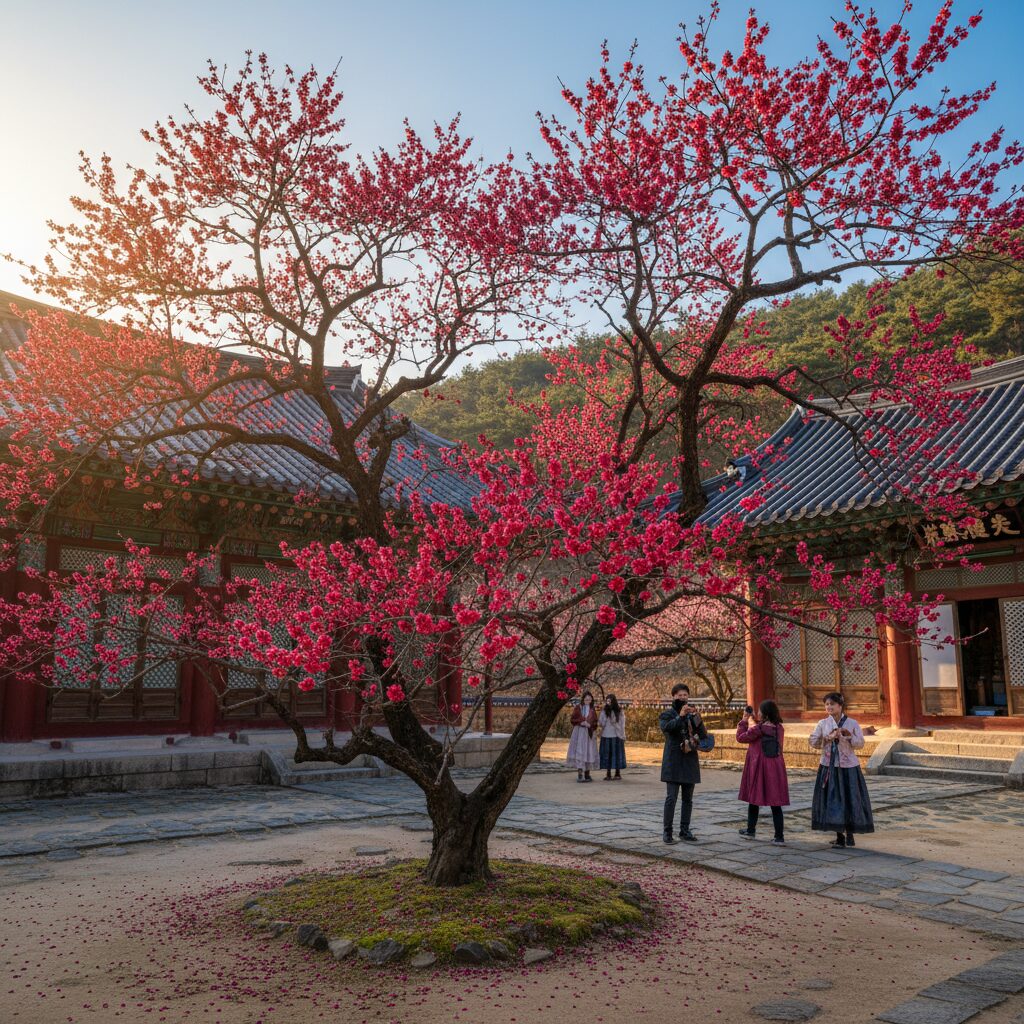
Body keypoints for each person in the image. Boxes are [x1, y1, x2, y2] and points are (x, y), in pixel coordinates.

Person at [809, 691, 874, 848]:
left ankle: (850, 834)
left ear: (840, 705)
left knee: (850, 799)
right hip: (829, 766)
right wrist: (827, 738)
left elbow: (860, 743)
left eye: (832, 704)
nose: (829, 707)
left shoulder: (852, 723)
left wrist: (849, 736)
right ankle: (840, 836)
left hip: (849, 767)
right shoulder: (823, 723)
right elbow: (813, 742)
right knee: (833, 800)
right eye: (826, 704)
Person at [736, 699, 790, 845]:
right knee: (776, 802)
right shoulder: (779, 728)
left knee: (754, 798)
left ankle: (751, 830)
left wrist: (744, 720)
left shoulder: (758, 729)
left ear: (764, 713)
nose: (758, 712)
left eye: (760, 710)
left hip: (759, 766)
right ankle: (779, 836)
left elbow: (740, 738)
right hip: (776, 767)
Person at [659, 683, 708, 843]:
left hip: (689, 759)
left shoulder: (691, 714)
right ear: (673, 696)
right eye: (679, 695)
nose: (682, 698)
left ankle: (685, 830)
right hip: (673, 760)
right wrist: (680, 716)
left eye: (685, 695)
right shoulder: (666, 714)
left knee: (688, 799)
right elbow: (667, 729)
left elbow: (703, 735)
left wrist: (697, 718)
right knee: (671, 798)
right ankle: (667, 832)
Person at [567, 690, 599, 782]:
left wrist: (591, 725)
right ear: (583, 699)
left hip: (589, 733)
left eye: (589, 699)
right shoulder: (578, 707)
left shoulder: (592, 709)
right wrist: (581, 722)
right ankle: (580, 774)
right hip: (579, 732)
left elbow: (595, 722)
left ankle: (587, 774)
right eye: (586, 699)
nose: (588, 701)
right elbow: (573, 719)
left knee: (588, 751)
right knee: (580, 751)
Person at [598, 693, 627, 780]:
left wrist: (623, 735)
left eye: (610, 701)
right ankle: (608, 773)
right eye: (607, 701)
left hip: (616, 735)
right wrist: (604, 718)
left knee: (617, 755)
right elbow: (601, 723)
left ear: (614, 701)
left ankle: (617, 773)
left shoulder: (619, 711)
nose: (608, 703)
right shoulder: (604, 711)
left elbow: (622, 724)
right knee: (607, 755)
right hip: (606, 735)